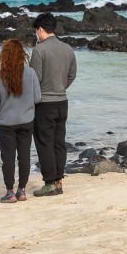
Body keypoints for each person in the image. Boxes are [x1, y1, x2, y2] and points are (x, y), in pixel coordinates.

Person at [0, 39, 42, 204]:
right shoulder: (31, 73)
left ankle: (9, 192)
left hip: (6, 123)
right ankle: (22, 190)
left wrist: (0, 111)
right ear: (21, 55)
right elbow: (38, 98)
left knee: (8, 158)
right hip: (26, 121)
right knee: (24, 156)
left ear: (3, 56)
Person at [29, 12, 77, 197]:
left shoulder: (39, 50)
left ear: (40, 29)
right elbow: (72, 74)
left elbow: (35, 80)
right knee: (59, 143)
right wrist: (60, 87)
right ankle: (58, 181)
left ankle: (49, 183)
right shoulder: (68, 49)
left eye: (36, 31)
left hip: (45, 104)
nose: (36, 34)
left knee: (44, 143)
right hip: (62, 102)